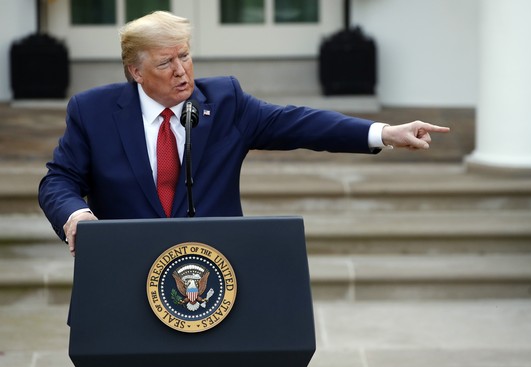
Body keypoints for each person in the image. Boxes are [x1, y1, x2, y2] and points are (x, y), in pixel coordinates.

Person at [38, 11, 450, 257]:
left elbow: (299, 122)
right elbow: (59, 180)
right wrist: (76, 216)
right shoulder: (93, 111)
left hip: (215, 273)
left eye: (185, 55)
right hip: (123, 274)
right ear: (135, 71)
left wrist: (384, 133)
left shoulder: (225, 102)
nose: (181, 71)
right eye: (166, 63)